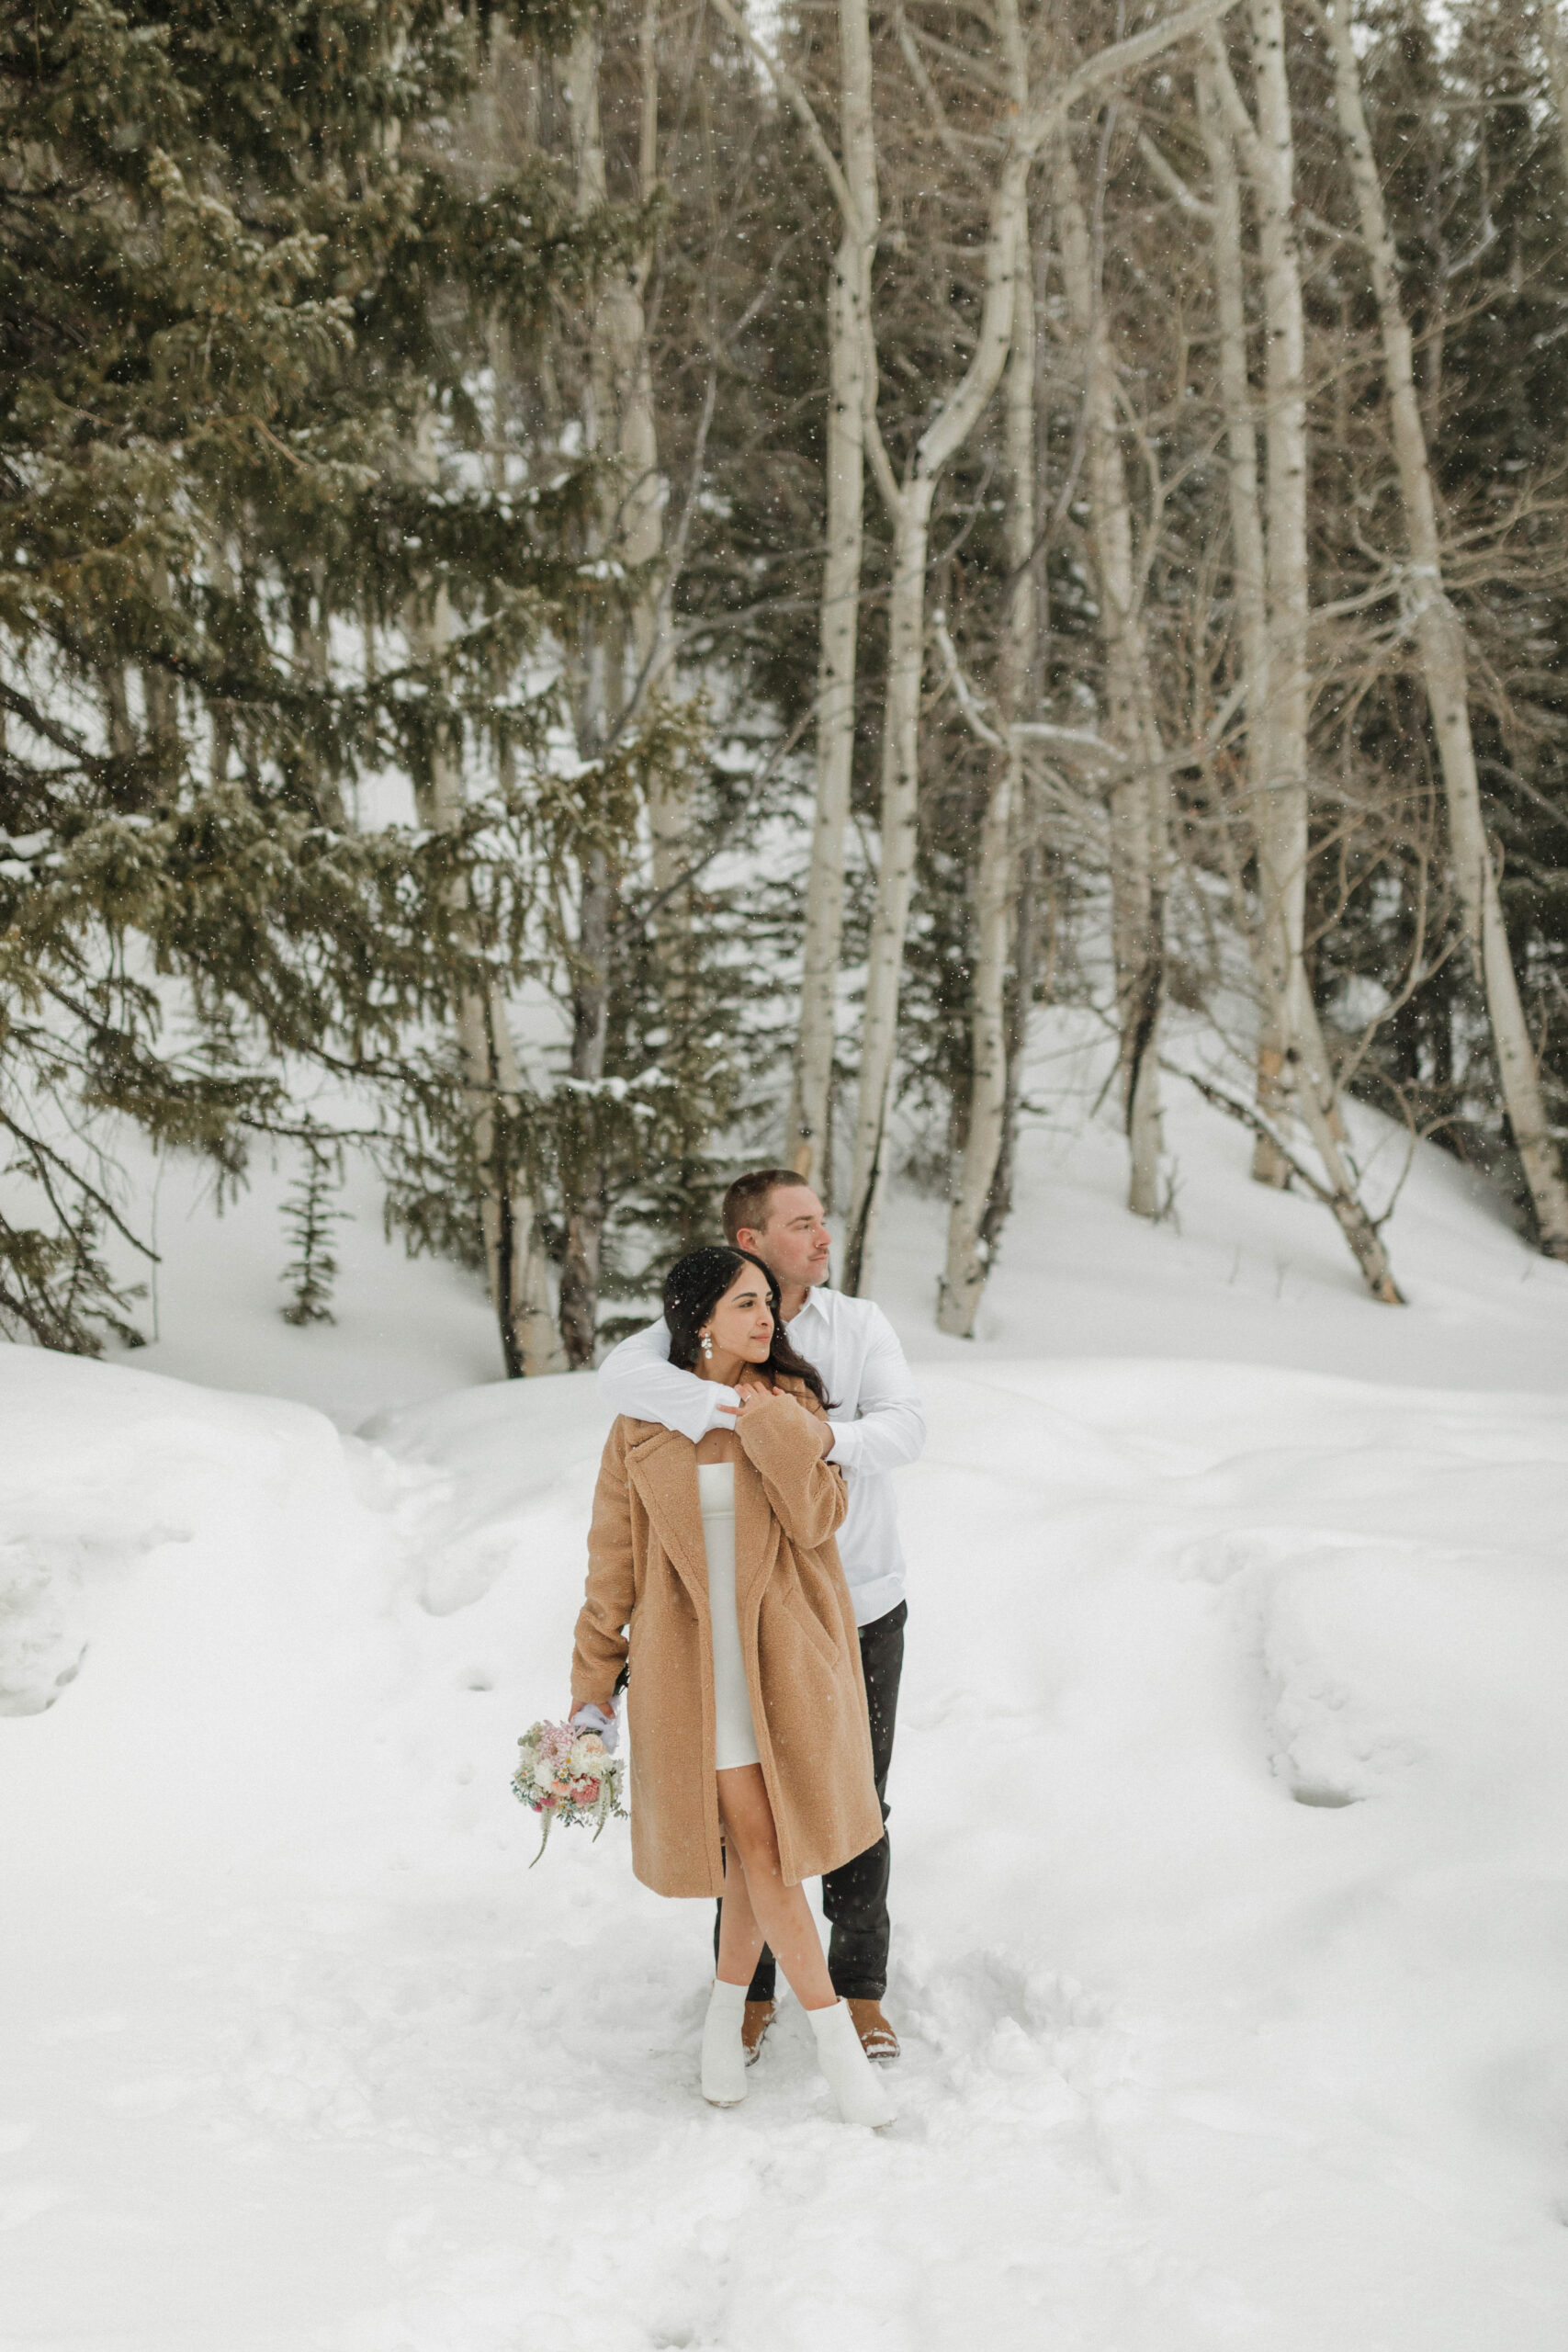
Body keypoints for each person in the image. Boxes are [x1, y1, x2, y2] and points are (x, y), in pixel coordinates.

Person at [596, 1169, 924, 2066]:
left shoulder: (854, 1328)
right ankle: (749, 1993)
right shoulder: (710, 1313)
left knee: (856, 1801)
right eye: (801, 1223)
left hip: (860, 1598)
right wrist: (722, 1403)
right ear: (750, 1240)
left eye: (823, 1220)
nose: (822, 1237)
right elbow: (622, 1376)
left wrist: (809, 1431)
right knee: (747, 1820)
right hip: (746, 1622)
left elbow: (904, 1431)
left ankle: (858, 1988)